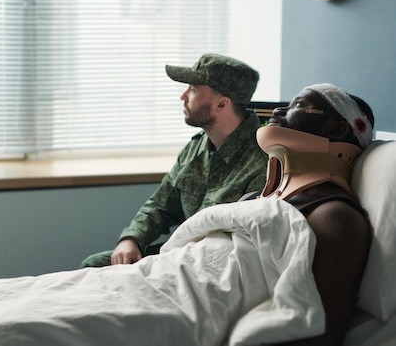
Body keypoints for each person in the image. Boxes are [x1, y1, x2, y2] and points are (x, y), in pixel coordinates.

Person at [81, 53, 268, 267]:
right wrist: (131, 238)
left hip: (212, 267)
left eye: (194, 89)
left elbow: (244, 249)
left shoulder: (264, 162)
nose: (183, 96)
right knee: (95, 265)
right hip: (178, 256)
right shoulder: (196, 147)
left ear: (221, 104)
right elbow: (161, 206)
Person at [239, 83, 374, 345]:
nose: (278, 109)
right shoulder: (252, 200)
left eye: (298, 105)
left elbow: (316, 335)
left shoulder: (333, 218)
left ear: (337, 129)